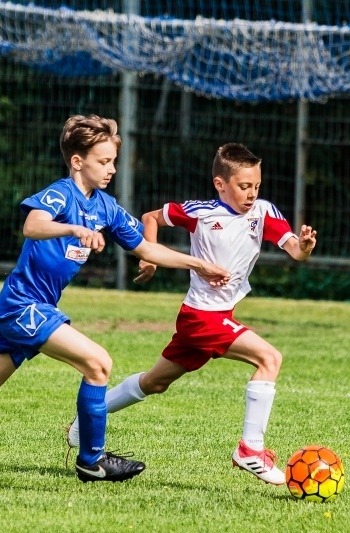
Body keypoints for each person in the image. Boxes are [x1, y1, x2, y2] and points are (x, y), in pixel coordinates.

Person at [0, 115, 231, 483]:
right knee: (98, 363)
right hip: (22, 305)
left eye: (113, 161)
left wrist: (198, 264)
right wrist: (74, 229)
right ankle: (91, 460)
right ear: (77, 161)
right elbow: (32, 225)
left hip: (37, 308)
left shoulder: (105, 206)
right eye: (104, 161)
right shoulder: (61, 193)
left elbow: (146, 248)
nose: (112, 169)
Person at [66, 142, 317, 485]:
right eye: (244, 186)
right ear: (220, 184)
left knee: (154, 383)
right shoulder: (201, 213)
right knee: (269, 358)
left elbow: (294, 250)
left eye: (257, 186)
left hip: (209, 317)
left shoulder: (263, 212)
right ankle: (250, 450)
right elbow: (151, 218)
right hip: (202, 317)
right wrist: (150, 258)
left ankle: (85, 420)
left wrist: (304, 248)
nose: (252, 194)